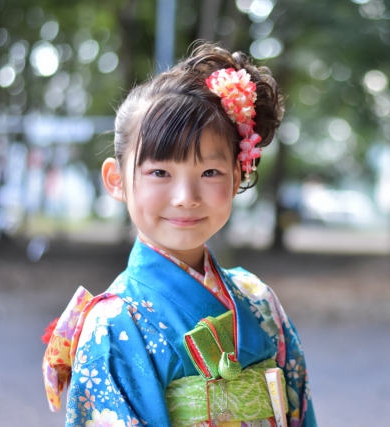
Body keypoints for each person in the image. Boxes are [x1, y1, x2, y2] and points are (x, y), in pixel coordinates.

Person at [41, 43, 317, 427]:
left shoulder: (259, 300)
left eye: (210, 173)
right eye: (160, 173)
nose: (186, 198)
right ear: (117, 181)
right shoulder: (113, 325)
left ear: (237, 178)